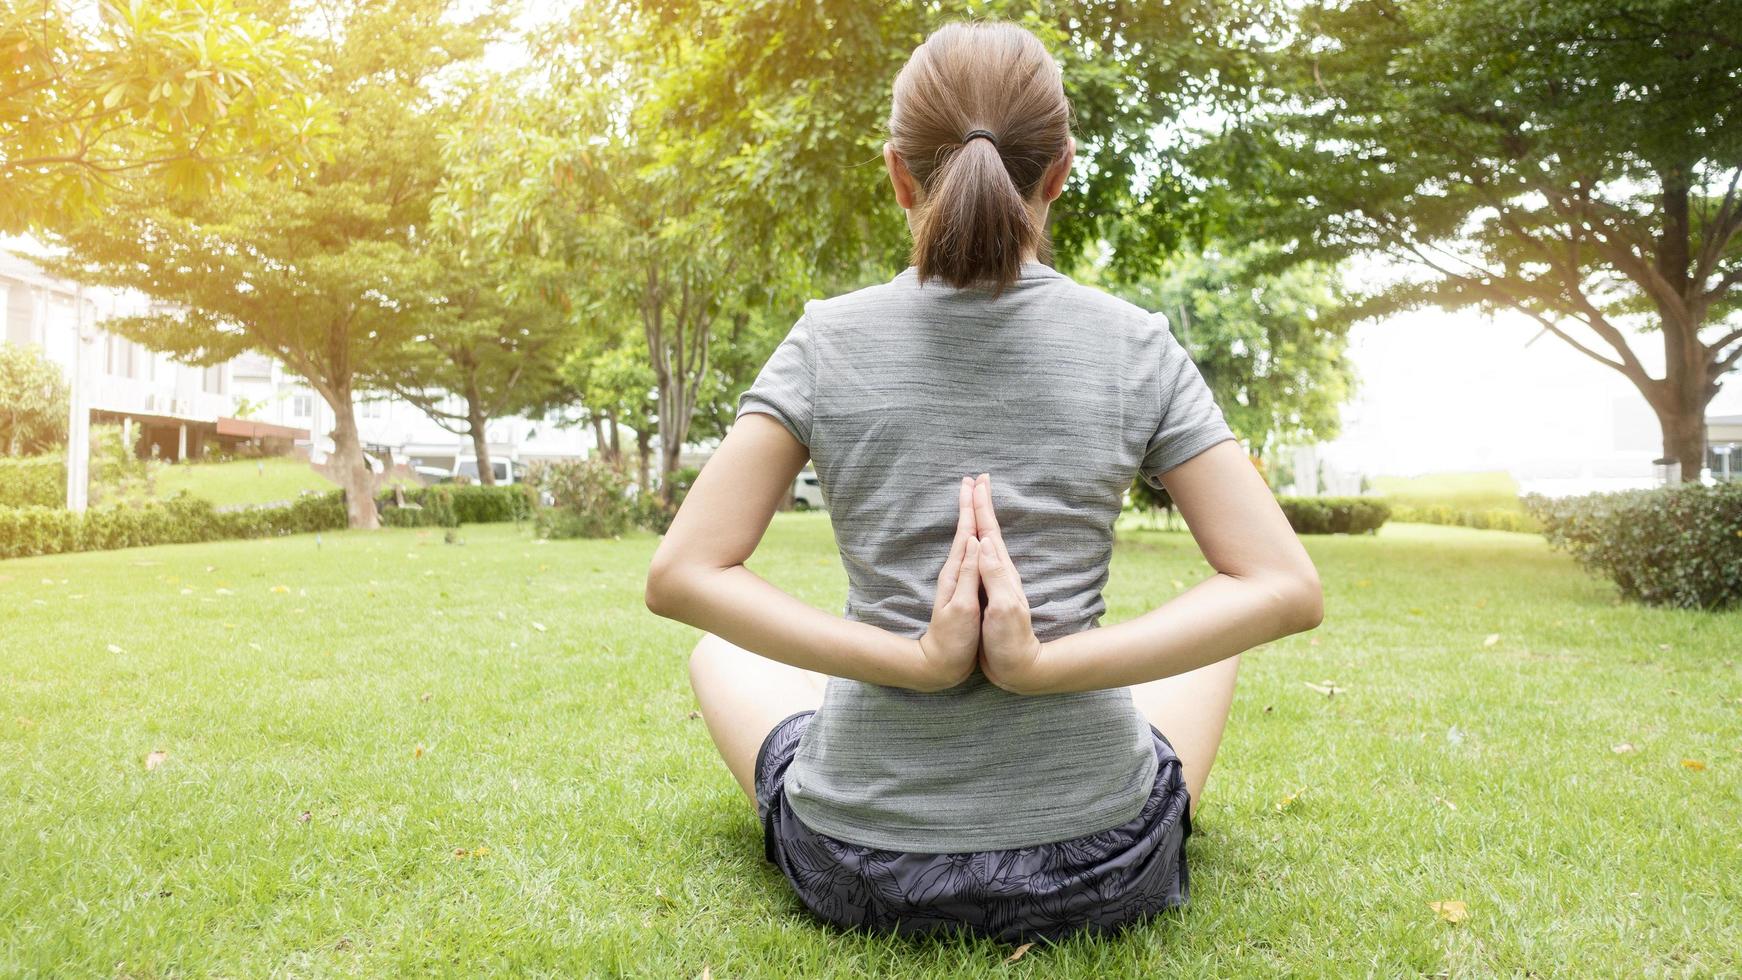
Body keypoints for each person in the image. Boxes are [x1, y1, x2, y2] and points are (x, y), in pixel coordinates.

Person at [643, 19, 1323, 945]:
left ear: (896, 174)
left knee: (718, 654)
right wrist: (1044, 667)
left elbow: (682, 574)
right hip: (1102, 868)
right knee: (1217, 643)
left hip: (861, 870)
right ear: (1060, 171)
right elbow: (1284, 588)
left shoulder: (826, 340)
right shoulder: (1136, 347)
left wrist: (912, 661)